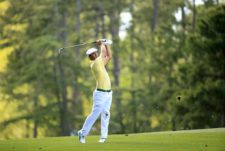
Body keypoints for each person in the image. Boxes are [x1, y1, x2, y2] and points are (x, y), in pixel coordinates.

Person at [78, 39, 113, 143]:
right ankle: (82, 133)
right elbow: (103, 53)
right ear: (90, 57)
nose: (95, 54)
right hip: (100, 94)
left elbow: (109, 56)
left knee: (106, 113)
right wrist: (102, 43)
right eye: (93, 54)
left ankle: (103, 137)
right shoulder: (95, 64)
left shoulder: (100, 62)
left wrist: (105, 45)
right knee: (95, 114)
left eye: (95, 53)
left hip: (108, 93)